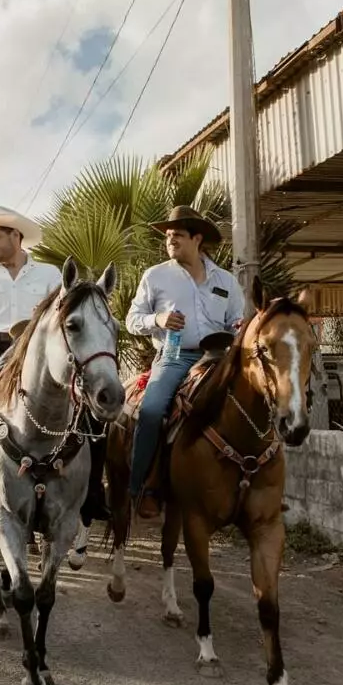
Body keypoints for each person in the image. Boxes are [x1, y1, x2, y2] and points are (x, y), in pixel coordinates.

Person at [0, 205, 112, 530]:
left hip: (39, 353)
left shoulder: (50, 274)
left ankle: (92, 493)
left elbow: (65, 318)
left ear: (16, 236)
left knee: (92, 410)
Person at [125, 205, 244, 518]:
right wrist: (158, 319)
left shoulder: (227, 281)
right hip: (175, 356)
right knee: (150, 412)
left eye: (177, 234)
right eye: (167, 236)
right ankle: (140, 489)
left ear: (197, 238)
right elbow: (131, 320)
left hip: (220, 357)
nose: (170, 240)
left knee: (254, 402)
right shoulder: (156, 276)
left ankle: (248, 485)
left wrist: (240, 327)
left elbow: (237, 319)